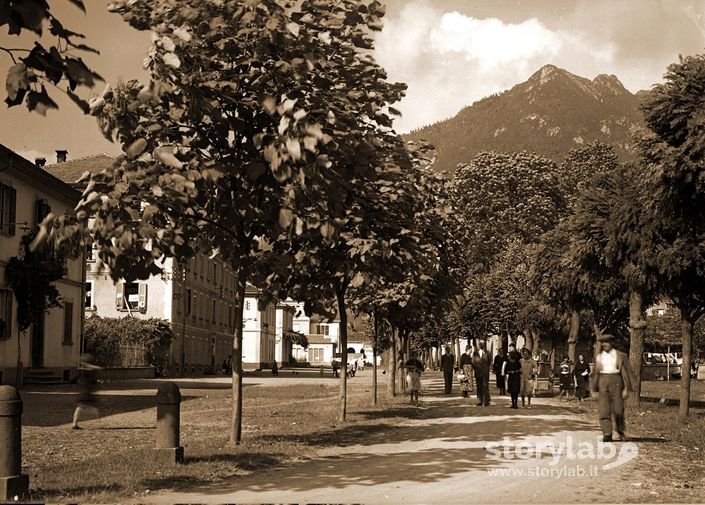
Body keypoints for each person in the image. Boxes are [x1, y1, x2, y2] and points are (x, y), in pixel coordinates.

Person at [591, 333, 633, 442]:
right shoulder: (599, 357)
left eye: (607, 342)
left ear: (612, 343)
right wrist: (593, 389)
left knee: (618, 409)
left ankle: (620, 431)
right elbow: (596, 374)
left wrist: (626, 389)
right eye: (603, 342)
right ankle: (607, 433)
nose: (605, 344)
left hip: (617, 381)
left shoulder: (621, 356)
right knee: (604, 409)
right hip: (603, 382)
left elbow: (627, 373)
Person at [72, 353, 101, 430]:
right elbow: (97, 369)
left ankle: (75, 423)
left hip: (86, 391)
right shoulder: (86, 370)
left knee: (82, 407)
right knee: (85, 406)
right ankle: (98, 420)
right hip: (86, 391)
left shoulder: (85, 370)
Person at [472, 339, 492, 406]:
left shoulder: (487, 353)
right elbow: (473, 362)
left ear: (484, 345)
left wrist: (486, 369)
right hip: (478, 372)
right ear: (479, 345)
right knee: (479, 386)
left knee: (485, 386)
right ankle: (480, 400)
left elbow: (489, 362)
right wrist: (477, 369)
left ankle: (486, 400)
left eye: (483, 344)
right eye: (480, 344)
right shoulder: (475, 353)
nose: (481, 345)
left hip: (485, 373)